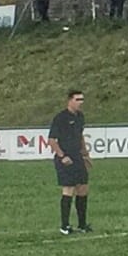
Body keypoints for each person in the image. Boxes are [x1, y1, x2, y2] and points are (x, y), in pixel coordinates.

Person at [50, 89, 92, 233]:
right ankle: (65, 226)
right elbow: (52, 140)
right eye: (77, 99)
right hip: (65, 158)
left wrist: (85, 155)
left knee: (83, 188)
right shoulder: (60, 118)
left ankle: (82, 225)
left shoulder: (80, 117)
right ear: (70, 101)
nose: (80, 102)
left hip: (77, 157)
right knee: (68, 189)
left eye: (82, 100)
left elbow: (80, 136)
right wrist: (62, 156)